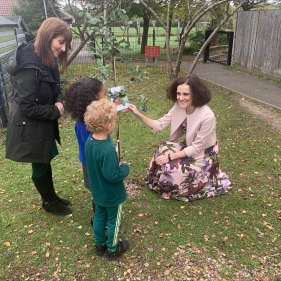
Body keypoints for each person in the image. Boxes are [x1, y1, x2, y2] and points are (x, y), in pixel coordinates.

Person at [128, 73, 232, 202]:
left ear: (196, 94)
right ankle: (160, 183)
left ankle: (180, 186)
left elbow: (196, 148)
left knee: (170, 167)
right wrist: (137, 113)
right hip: (188, 146)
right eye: (178, 94)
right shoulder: (178, 106)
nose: (180, 98)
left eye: (185, 94)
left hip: (203, 154)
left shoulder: (207, 116)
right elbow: (159, 125)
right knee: (162, 149)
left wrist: (170, 157)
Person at [5, 17, 73, 215]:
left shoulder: (45, 59)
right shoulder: (28, 67)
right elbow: (28, 107)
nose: (63, 48)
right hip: (30, 125)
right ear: (47, 36)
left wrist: (58, 100)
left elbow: (52, 87)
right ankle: (49, 203)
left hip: (42, 123)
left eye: (65, 44)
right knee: (39, 162)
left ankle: (52, 196)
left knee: (45, 159)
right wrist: (56, 110)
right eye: (60, 42)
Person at [84, 99, 130, 261]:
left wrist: (112, 166)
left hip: (97, 191)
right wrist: (124, 168)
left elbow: (99, 165)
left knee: (99, 217)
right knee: (113, 221)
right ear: (109, 125)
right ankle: (112, 248)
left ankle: (99, 245)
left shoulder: (89, 142)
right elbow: (113, 175)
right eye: (114, 121)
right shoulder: (108, 149)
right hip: (111, 195)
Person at [64, 77, 107, 224]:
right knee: (99, 192)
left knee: (99, 192)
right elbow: (96, 148)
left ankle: (100, 218)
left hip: (92, 162)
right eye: (104, 94)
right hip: (94, 165)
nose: (107, 97)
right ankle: (100, 220)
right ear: (93, 99)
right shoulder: (86, 126)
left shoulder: (88, 120)